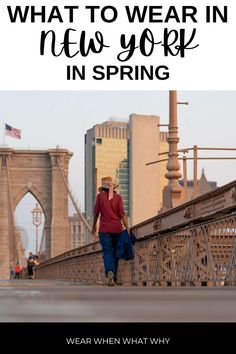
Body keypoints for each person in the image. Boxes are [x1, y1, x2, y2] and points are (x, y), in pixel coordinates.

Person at [92, 176, 129, 286]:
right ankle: (114, 277)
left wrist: (93, 226)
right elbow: (122, 215)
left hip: (104, 229)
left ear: (103, 188)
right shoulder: (118, 198)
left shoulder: (100, 197)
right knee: (116, 254)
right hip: (117, 229)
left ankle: (110, 272)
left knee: (107, 252)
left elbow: (96, 214)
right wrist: (127, 228)